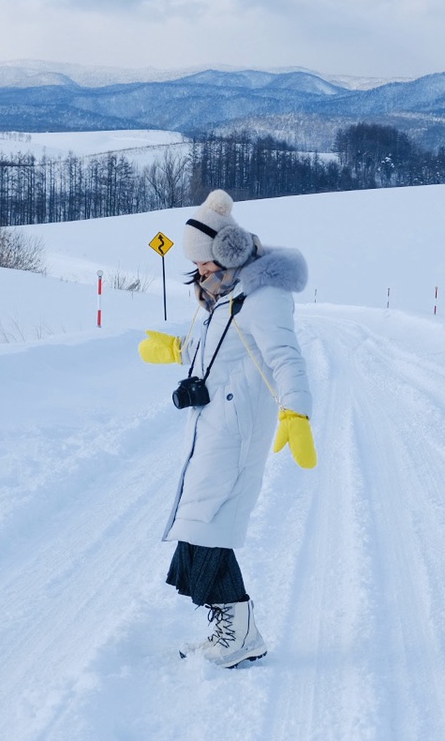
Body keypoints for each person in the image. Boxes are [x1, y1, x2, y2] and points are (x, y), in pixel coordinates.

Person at [138, 188, 316, 668]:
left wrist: (296, 412)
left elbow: (286, 359)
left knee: (209, 528)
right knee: (199, 526)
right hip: (210, 431)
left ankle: (236, 634)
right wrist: (175, 350)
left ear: (230, 254)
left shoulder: (263, 299)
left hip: (236, 435)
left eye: (205, 267)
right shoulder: (221, 297)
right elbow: (216, 351)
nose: (199, 276)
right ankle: (240, 631)